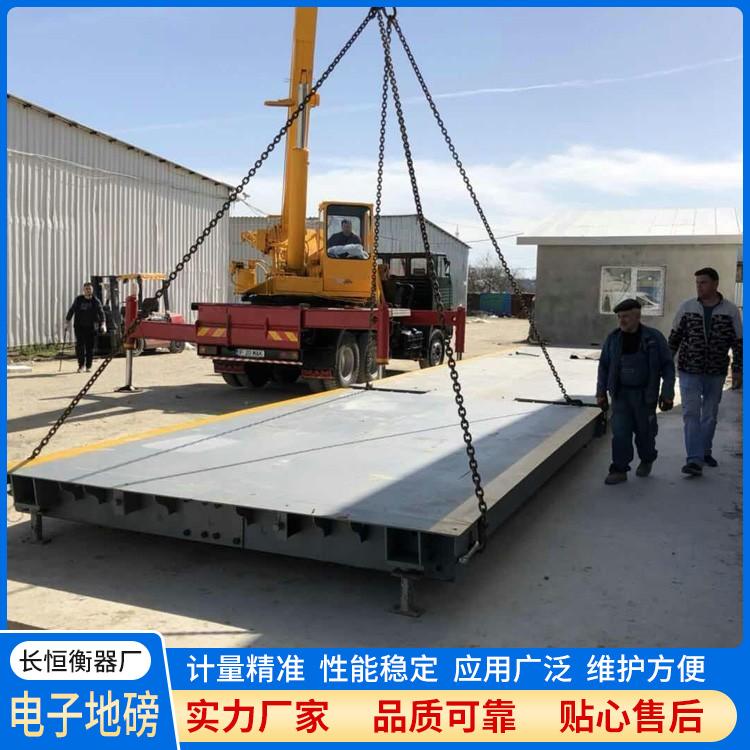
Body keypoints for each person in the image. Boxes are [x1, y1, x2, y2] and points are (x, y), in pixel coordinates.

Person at [668, 267, 742, 477]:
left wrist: (737, 370)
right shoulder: (687, 307)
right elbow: (674, 339)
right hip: (689, 370)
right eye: (697, 283)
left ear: (715, 284)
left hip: (716, 371)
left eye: (704, 282)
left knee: (709, 415)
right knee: (691, 413)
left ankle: (704, 451)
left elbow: (738, 342)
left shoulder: (730, 311)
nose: (699, 287)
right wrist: (663, 366)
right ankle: (694, 459)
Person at [596, 298, 675, 485]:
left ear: (637, 316)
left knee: (645, 434)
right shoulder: (613, 339)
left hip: (644, 397)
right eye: (619, 317)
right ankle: (619, 469)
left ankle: (647, 459)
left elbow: (667, 366)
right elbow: (604, 366)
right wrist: (601, 393)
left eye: (625, 317)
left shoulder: (653, 338)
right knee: (620, 433)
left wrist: (667, 393)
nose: (621, 321)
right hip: (620, 395)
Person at [65, 282, 105, 373]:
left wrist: (103, 324)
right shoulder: (78, 300)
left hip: (91, 328)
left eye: (89, 289)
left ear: (92, 290)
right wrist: (67, 322)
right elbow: (71, 310)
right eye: (86, 289)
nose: (88, 290)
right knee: (80, 347)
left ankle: (88, 366)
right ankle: (81, 366)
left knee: (90, 348)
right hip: (79, 327)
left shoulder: (95, 301)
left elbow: (101, 312)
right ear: (83, 290)